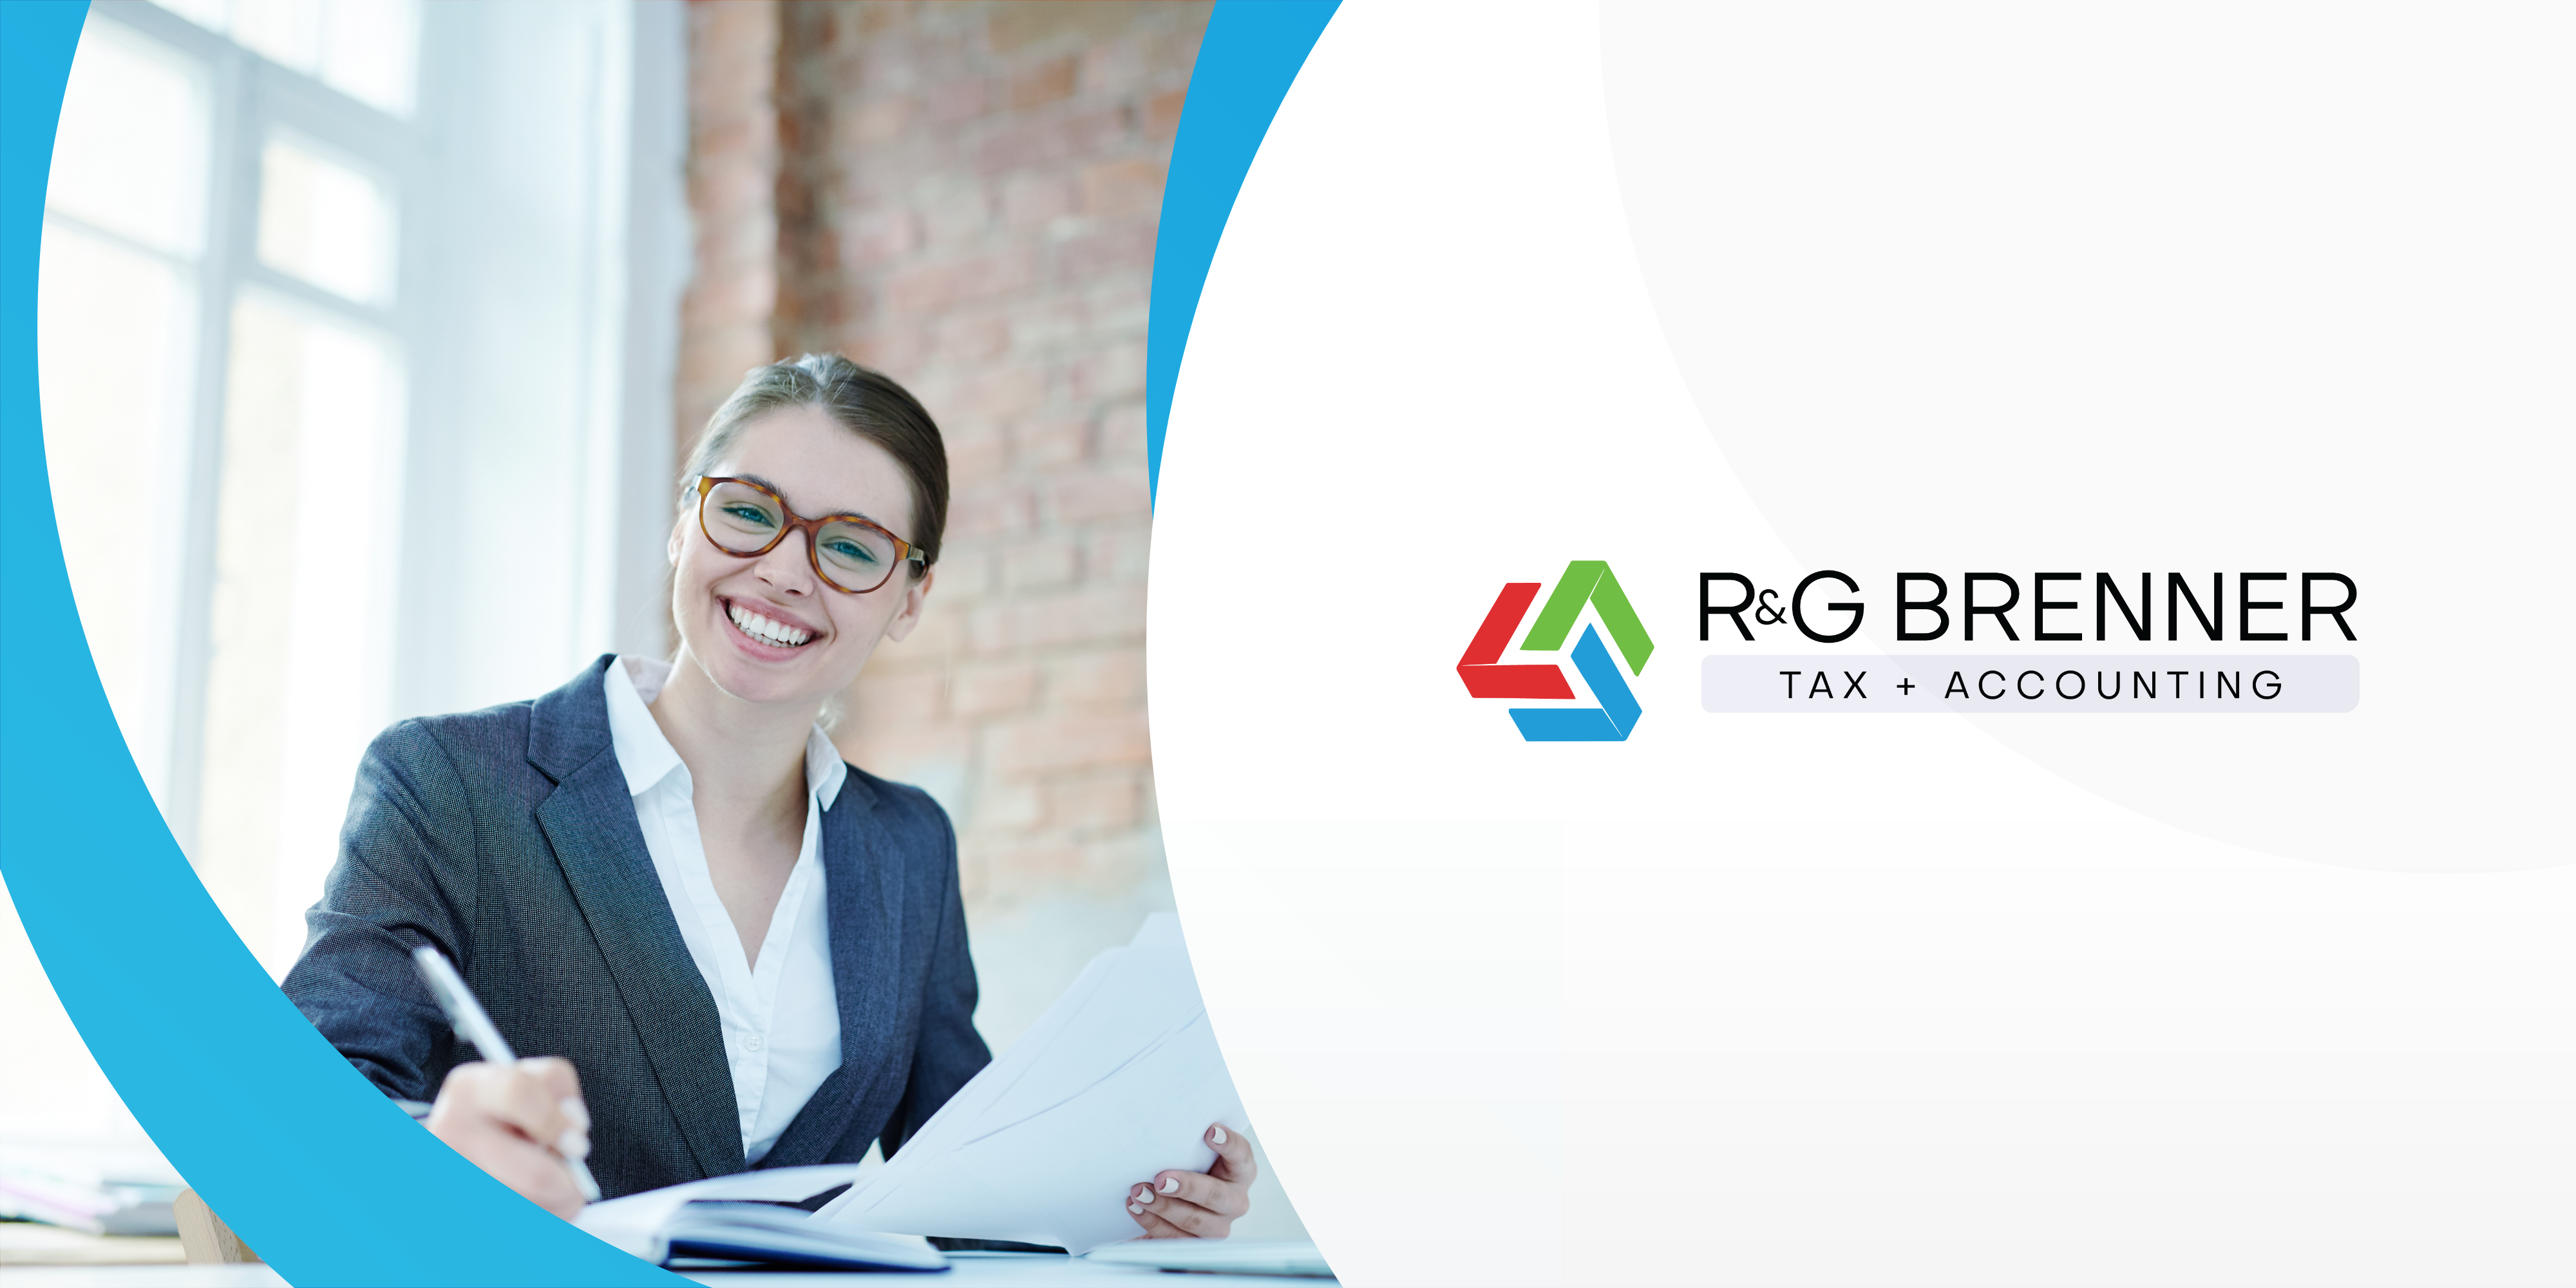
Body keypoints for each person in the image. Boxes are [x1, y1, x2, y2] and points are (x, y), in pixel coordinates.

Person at [282, 354, 1251, 1241]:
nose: (784, 571)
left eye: (854, 548)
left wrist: (1139, 1199)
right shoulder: (446, 783)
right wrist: (429, 1153)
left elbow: (968, 1172)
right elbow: (296, 1113)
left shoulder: (908, 846)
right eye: (748, 512)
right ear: (681, 524)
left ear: (908, 599)